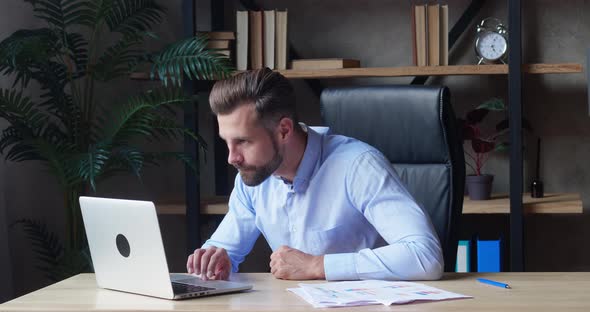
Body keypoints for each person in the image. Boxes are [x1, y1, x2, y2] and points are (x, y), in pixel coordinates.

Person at [186, 68, 443, 281]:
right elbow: (225, 252)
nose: (232, 158)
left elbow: (425, 257)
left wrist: (318, 265)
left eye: (243, 142)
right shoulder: (253, 176)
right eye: (227, 142)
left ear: (284, 130)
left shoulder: (358, 166)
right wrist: (214, 261)